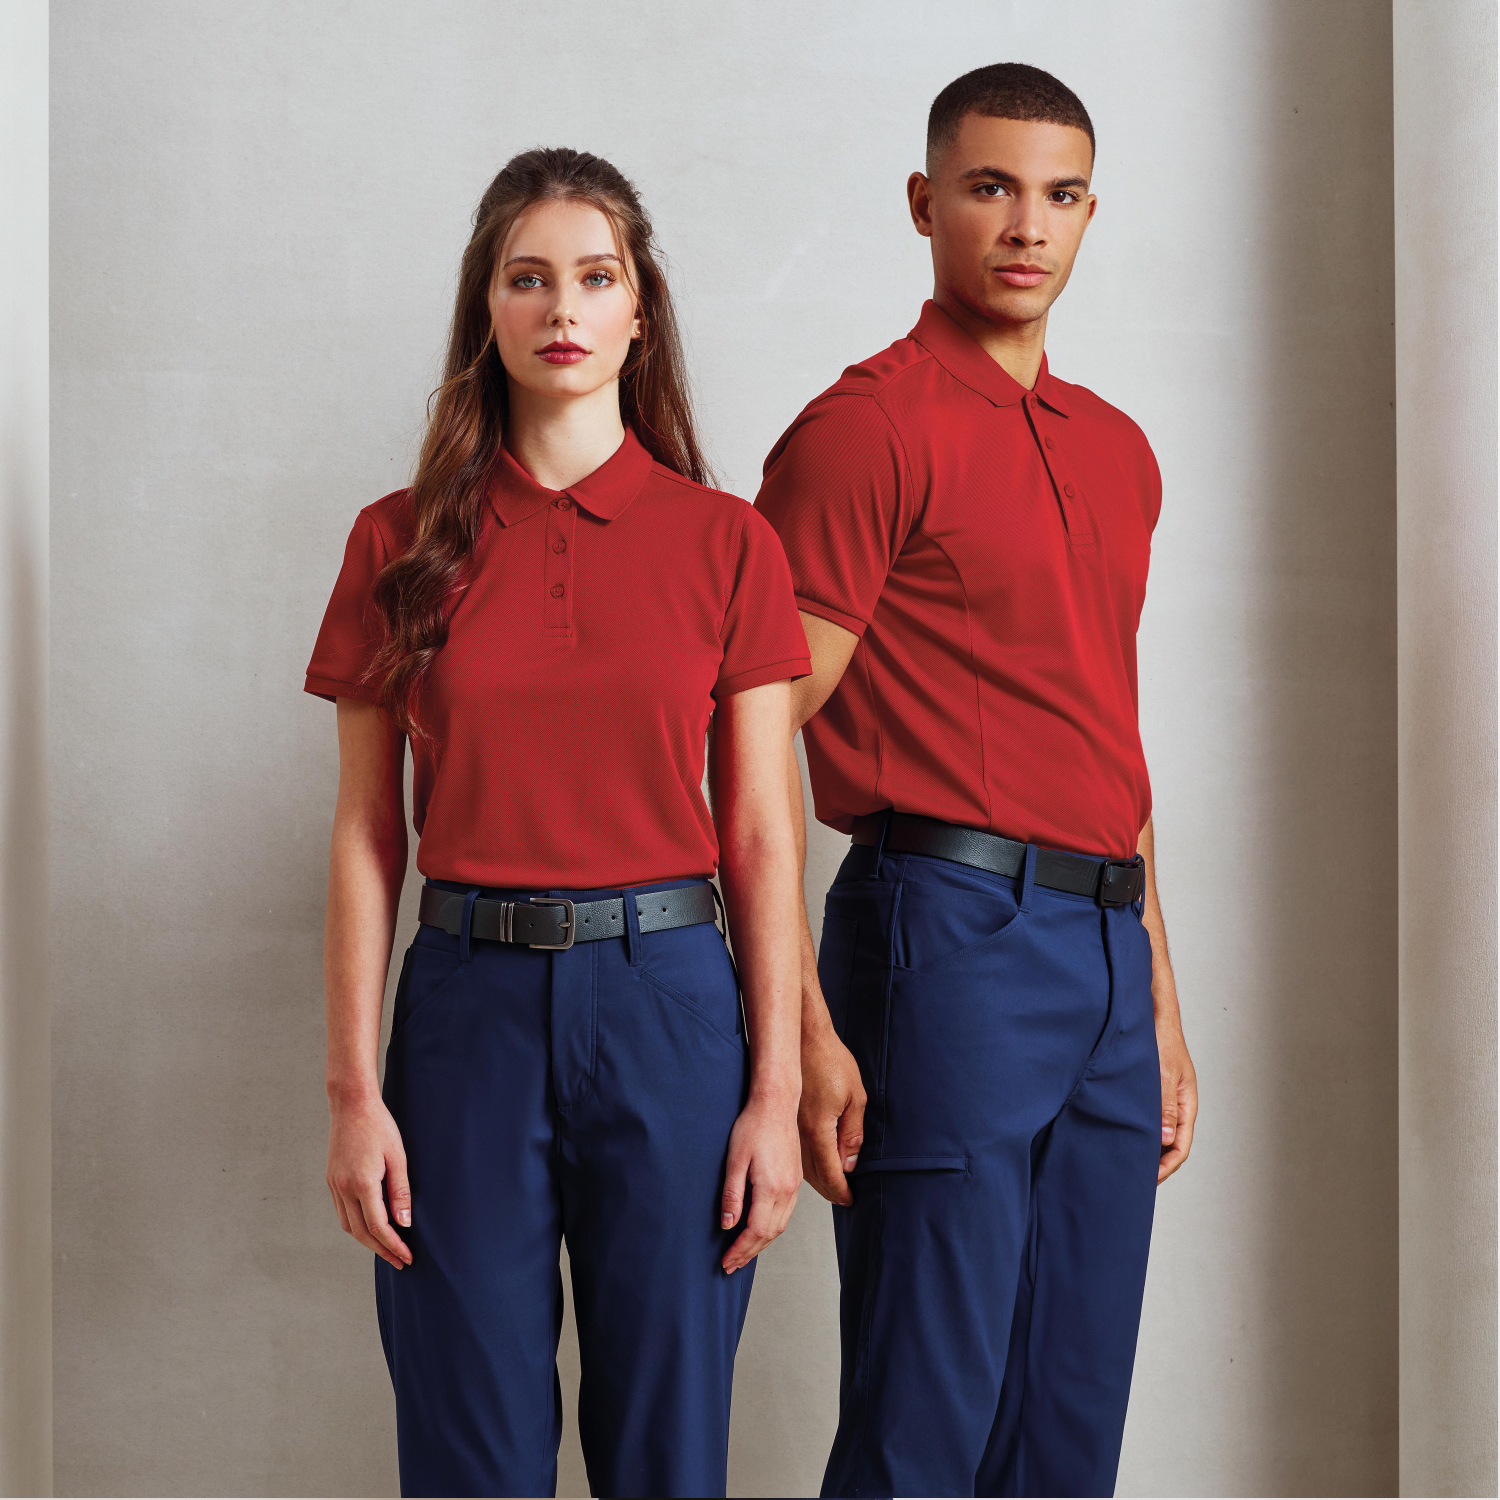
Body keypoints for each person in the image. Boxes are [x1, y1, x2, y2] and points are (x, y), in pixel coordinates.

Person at [305, 147, 808, 1500]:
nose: (563, 308)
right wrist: (353, 1093)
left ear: (641, 311)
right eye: (528, 279)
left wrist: (774, 1093)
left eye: (596, 277)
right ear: (487, 308)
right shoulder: (397, 543)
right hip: (465, 1011)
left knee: (667, 1454)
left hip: (673, 1009)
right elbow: (366, 836)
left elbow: (763, 836)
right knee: (468, 1455)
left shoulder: (730, 544)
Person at [756, 64, 1199, 1498]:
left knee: (1070, 1423)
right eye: (991, 187)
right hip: (944, 938)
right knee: (925, 1421)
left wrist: (1160, 999)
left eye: (1059, 194)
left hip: (1104, 952)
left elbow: (1108, 735)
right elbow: (746, 735)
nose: (1026, 225)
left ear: (1089, 215)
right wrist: (800, 1025)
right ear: (924, 201)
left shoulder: (1117, 451)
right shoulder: (863, 433)